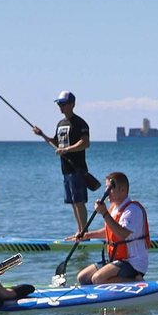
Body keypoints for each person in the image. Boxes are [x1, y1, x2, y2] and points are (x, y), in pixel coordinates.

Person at [29, 91, 93, 236]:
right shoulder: (60, 124)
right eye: (59, 104)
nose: (60, 107)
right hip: (65, 169)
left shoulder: (80, 123)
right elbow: (56, 142)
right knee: (72, 202)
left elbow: (85, 143)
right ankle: (80, 231)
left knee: (79, 201)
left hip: (77, 167)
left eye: (63, 104)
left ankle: (84, 233)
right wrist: (42, 135)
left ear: (72, 104)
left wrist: (67, 150)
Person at [70, 172, 149, 285]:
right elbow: (110, 231)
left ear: (122, 190)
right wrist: (87, 235)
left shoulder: (132, 210)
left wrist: (104, 213)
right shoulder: (114, 208)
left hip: (133, 263)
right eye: (106, 188)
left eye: (110, 188)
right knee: (83, 277)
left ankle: (136, 280)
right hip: (117, 260)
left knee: (98, 279)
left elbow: (122, 234)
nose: (107, 193)